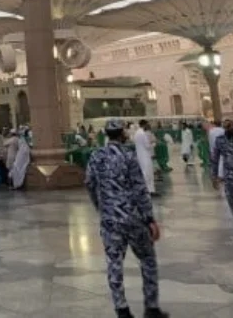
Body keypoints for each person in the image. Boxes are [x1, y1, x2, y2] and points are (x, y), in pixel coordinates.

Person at [85, 119, 168, 318]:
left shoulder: (96, 156)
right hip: (133, 219)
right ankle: (151, 307)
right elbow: (140, 189)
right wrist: (150, 219)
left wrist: (101, 206)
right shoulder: (128, 156)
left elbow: (89, 183)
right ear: (122, 133)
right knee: (147, 259)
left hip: (110, 220)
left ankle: (122, 309)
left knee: (114, 264)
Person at [133, 120, 156, 196]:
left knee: (145, 172)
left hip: (140, 155)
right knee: (147, 173)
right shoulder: (142, 133)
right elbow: (147, 146)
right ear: (144, 124)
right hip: (145, 155)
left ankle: (150, 190)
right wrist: (153, 144)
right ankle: (146, 191)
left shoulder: (137, 133)